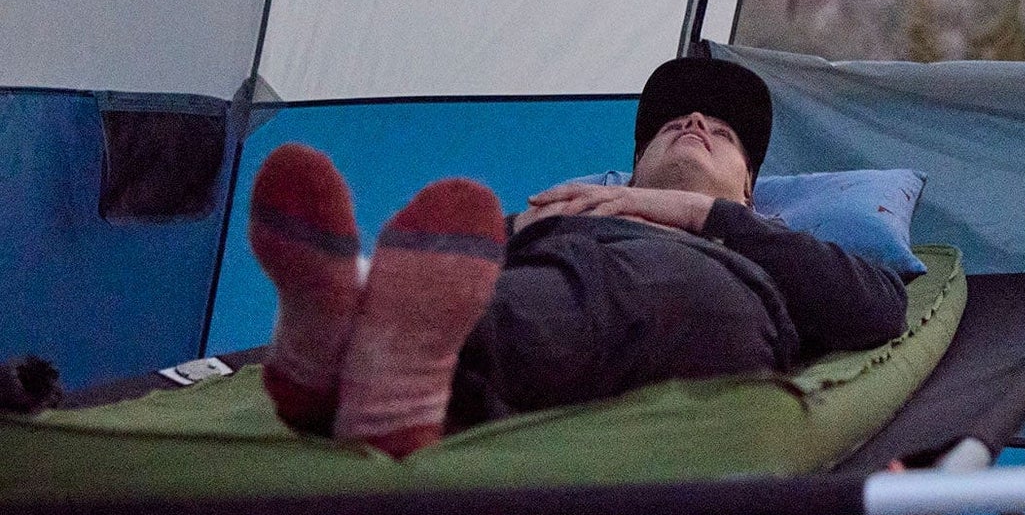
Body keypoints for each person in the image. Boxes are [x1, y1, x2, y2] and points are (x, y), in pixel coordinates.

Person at [248, 57, 909, 455]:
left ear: (750, 192)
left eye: (722, 133)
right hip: (556, 273)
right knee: (490, 285)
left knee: (613, 292)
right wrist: (532, 226)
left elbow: (880, 307)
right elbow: (449, 271)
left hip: (704, 294)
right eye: (674, 126)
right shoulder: (564, 211)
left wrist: (703, 216)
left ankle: (351, 358)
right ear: (634, 170)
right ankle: (373, 369)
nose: (696, 125)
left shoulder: (759, 241)